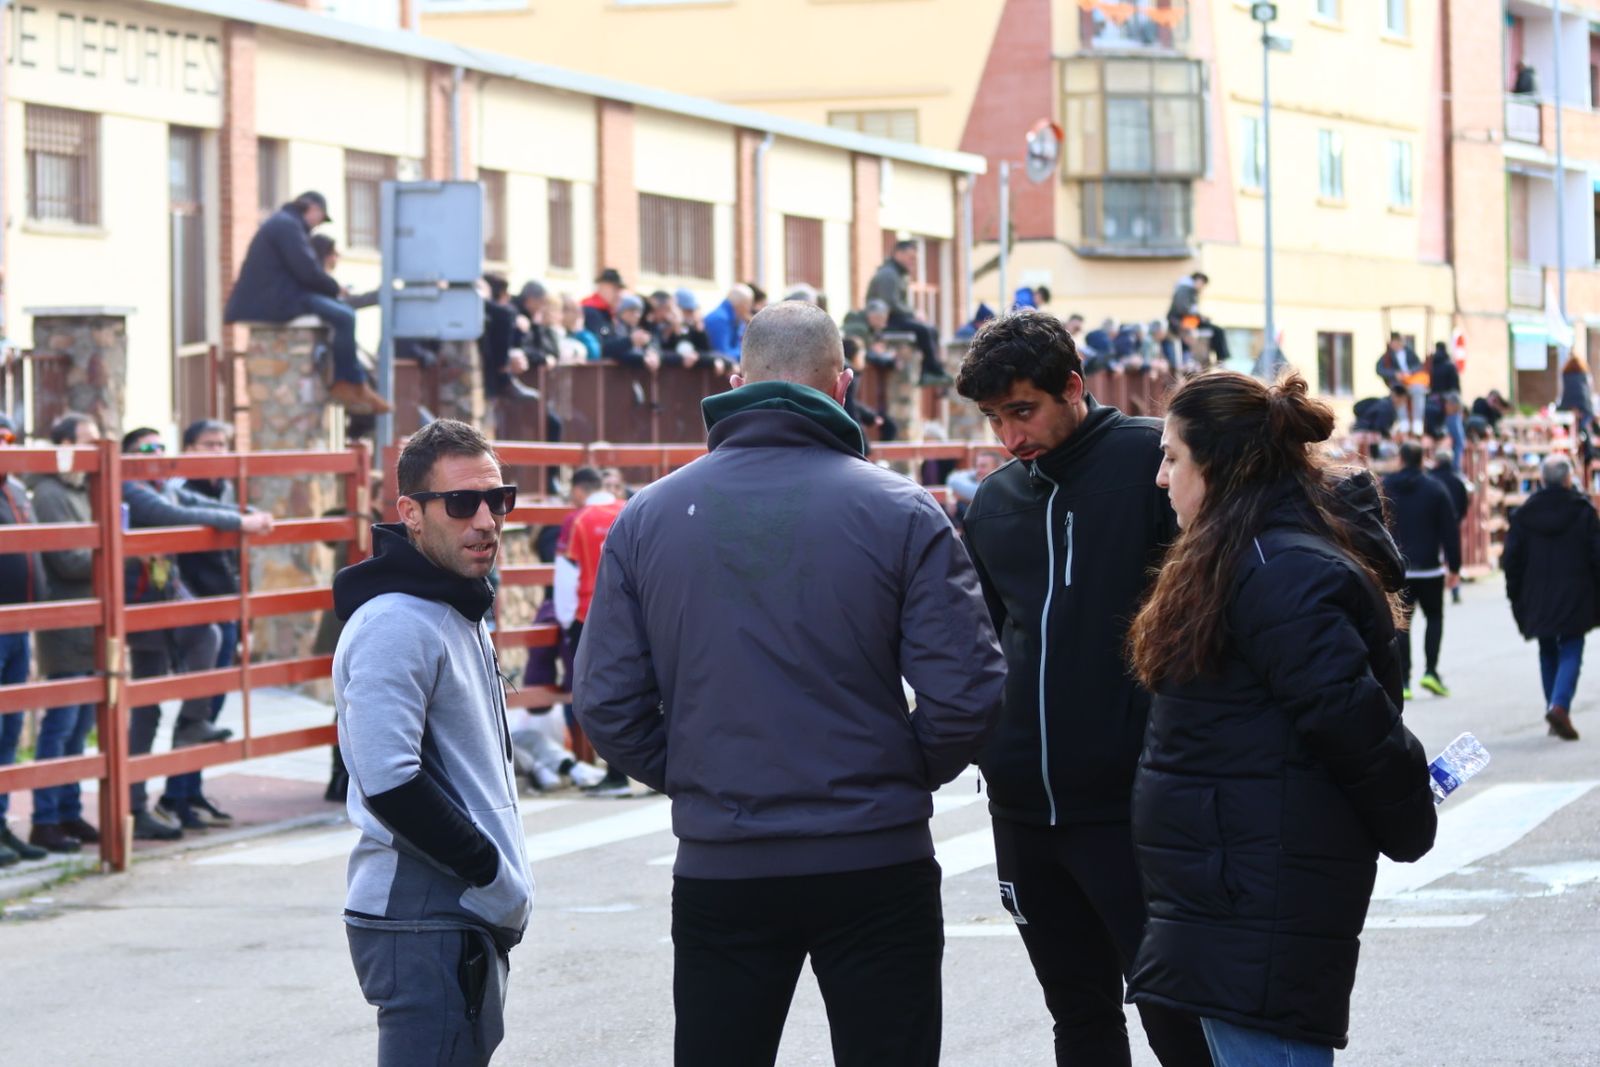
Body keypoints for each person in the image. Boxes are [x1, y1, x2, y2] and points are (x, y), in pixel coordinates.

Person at [574, 301, 1004, 1067]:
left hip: (724, 858)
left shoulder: (648, 516)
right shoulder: (902, 510)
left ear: (735, 380)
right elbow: (967, 689)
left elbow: (607, 700)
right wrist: (901, 772)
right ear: (842, 384)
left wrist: (692, 775)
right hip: (874, 856)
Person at [1125, 369, 1437, 1066]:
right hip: (1235, 896)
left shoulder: (1278, 569)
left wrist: (1410, 814)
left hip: (1260, 907)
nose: (1160, 476)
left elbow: (1350, 720)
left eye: (1173, 456)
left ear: (1224, 466)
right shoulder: (1242, 557)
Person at [953, 312, 1211, 1066]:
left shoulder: (1155, 465)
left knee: (1176, 1015)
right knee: (1078, 1014)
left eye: (1022, 411)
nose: (1008, 436)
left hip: (1135, 807)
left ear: (1074, 385)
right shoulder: (994, 503)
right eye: (994, 418)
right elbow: (996, 645)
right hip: (1025, 814)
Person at [333, 419, 533, 1064]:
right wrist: (491, 876)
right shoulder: (396, 620)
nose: (485, 520)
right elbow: (390, 780)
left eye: (497, 500)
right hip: (424, 915)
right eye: (460, 503)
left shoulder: (453, 604)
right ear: (411, 514)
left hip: (451, 916)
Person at [160, 420, 250, 832]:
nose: (217, 451)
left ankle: (190, 789)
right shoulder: (179, 491)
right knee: (194, 708)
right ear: (189, 448)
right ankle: (173, 794)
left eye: (222, 444)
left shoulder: (226, 489)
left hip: (226, 606)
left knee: (210, 710)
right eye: (208, 444)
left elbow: (231, 555)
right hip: (196, 612)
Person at [224, 191, 390, 414]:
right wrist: (334, 288)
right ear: (313, 209)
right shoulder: (287, 226)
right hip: (278, 299)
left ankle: (353, 382)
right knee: (344, 316)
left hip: (280, 295)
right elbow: (306, 269)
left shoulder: (283, 224)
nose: (318, 225)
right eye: (320, 218)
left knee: (342, 313)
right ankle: (350, 382)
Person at [28, 413, 105, 853]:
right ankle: (45, 817)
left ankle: (69, 810)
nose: (94, 448)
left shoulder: (81, 490)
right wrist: (117, 554)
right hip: (65, 621)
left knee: (80, 726)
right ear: (62, 444)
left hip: (89, 619)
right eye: (86, 441)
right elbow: (69, 559)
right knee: (60, 724)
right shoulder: (52, 493)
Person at [1503, 456, 1600, 742]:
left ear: (1542, 480)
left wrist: (1514, 593)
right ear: (1569, 479)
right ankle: (1559, 707)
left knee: (1547, 649)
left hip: (1537, 593)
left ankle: (1554, 709)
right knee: (1571, 647)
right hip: (1576, 591)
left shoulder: (1524, 514)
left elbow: (1512, 559)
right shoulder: (1583, 511)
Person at [557, 467, 629, 797]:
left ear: (580, 490)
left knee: (601, 695)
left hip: (590, 615)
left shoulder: (579, 520)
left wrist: (565, 621)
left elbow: (566, 578)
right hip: (632, 614)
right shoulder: (631, 510)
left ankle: (615, 774)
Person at [0, 413, 50, 864]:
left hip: (21, 625)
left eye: (9, 437)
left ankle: (2, 823)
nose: (5, 445)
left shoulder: (16, 490)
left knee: (11, 729)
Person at [1383, 442, 1462, 700]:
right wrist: (1455, 565)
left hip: (1398, 568)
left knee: (1402, 624)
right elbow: (1450, 531)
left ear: (1401, 458)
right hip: (1429, 568)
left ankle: (1404, 680)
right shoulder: (1435, 489)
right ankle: (1431, 672)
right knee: (1435, 618)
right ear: (1422, 460)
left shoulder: (1387, 487)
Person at [867, 240, 952, 387]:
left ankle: (930, 371)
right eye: (910, 257)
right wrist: (913, 314)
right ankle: (932, 371)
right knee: (923, 330)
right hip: (885, 321)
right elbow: (890, 304)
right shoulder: (888, 274)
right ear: (898, 254)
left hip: (894, 317)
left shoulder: (897, 274)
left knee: (931, 329)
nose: (913, 262)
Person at [1166, 272, 1230, 366]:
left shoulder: (1190, 291)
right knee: (1217, 331)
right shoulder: (1185, 289)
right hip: (1181, 322)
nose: (1202, 287)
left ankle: (1220, 358)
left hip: (1189, 320)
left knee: (1214, 330)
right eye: (1202, 283)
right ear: (1197, 280)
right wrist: (1200, 316)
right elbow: (1183, 309)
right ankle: (1221, 358)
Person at [1376, 333, 1426, 435]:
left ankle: (1418, 422)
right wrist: (1395, 374)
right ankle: (1403, 422)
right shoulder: (1387, 357)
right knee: (1399, 395)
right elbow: (1379, 369)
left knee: (1419, 391)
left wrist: (1409, 372)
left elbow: (1419, 365)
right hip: (1397, 383)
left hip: (1411, 381)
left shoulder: (1410, 353)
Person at [601, 294, 661, 370]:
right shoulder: (611, 327)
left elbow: (654, 344)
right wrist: (631, 341)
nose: (637, 315)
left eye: (639, 311)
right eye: (632, 310)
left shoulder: (638, 329)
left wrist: (652, 353)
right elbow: (607, 350)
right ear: (622, 311)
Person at [703, 284, 755, 365]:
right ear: (741, 305)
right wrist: (750, 355)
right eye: (749, 304)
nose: (750, 309)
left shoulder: (737, 318)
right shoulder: (720, 319)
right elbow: (722, 353)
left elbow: (738, 346)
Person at [581, 267, 627, 342]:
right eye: (616, 289)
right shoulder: (590, 311)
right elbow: (602, 346)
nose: (620, 295)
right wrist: (630, 341)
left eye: (620, 290)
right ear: (602, 287)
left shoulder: (608, 311)